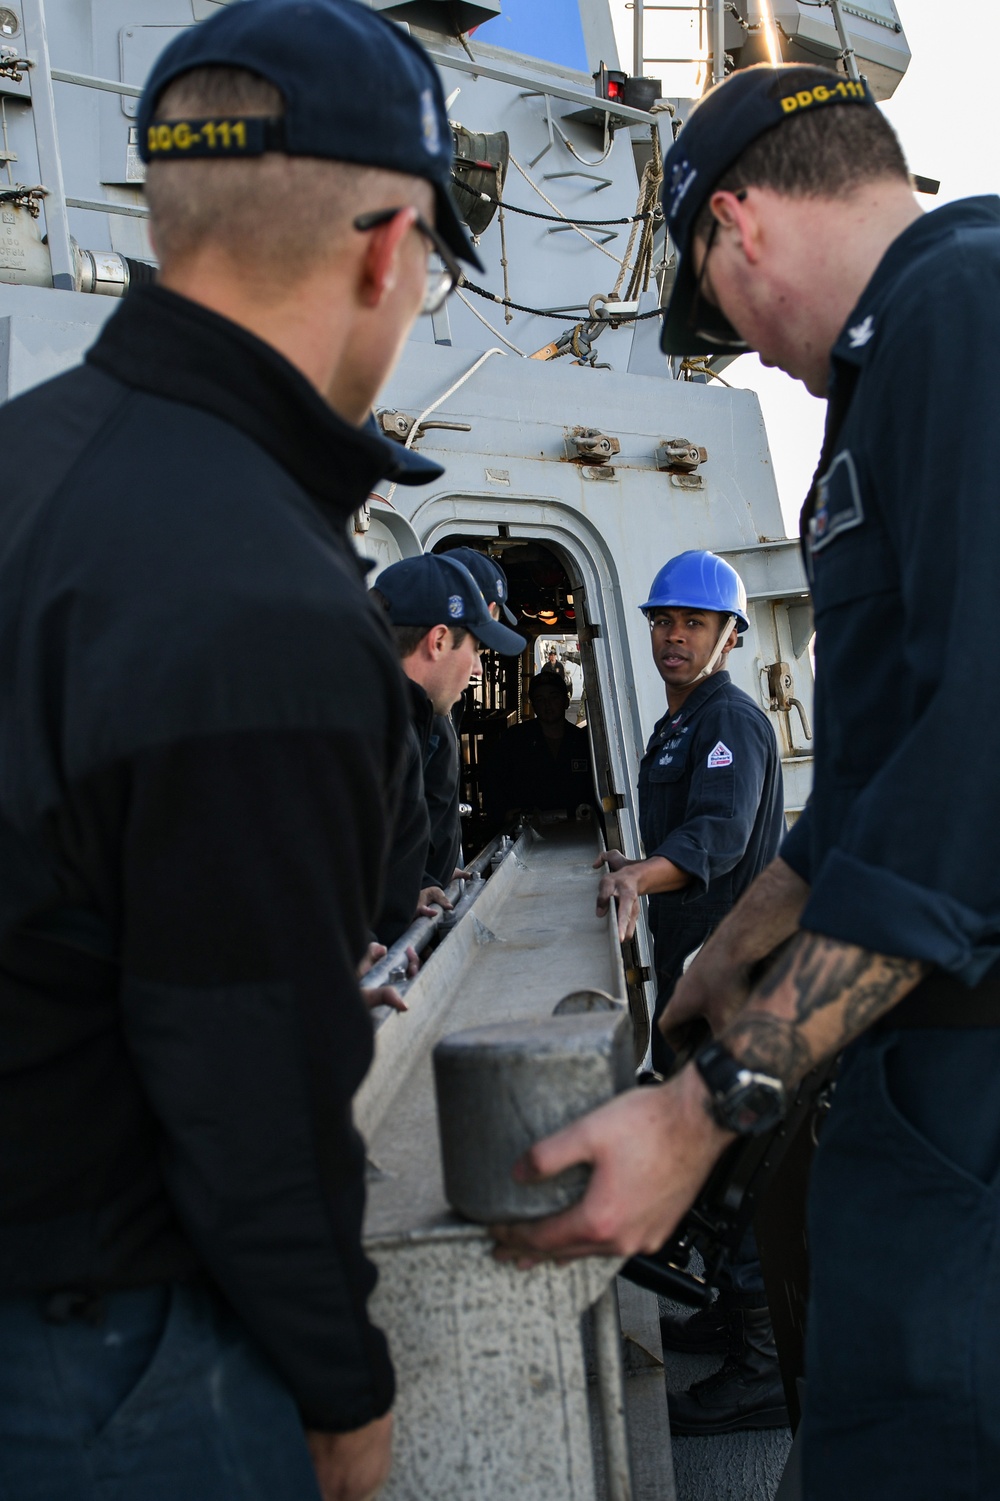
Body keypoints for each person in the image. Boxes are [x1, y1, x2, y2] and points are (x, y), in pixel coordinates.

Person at [494, 60, 1000, 1499]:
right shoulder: (897, 362)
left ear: (738, 225)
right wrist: (742, 932)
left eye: (713, 319)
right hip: (928, 1068)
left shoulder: (968, 307)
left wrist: (710, 1102)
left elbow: (977, 779)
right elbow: (883, 767)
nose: (746, 358)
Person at [0, 2, 484, 1498]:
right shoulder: (267, 596)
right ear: (387, 250)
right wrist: (342, 1389)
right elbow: (247, 1077)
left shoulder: (28, 465)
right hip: (115, 1357)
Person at [594, 550, 784, 1434]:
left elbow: (717, 832)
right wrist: (631, 867)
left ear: (729, 636)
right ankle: (727, 1312)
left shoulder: (730, 722)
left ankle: (762, 1369)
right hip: (690, 971)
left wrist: (644, 875)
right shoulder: (677, 724)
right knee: (710, 1162)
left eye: (693, 623)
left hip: (732, 978)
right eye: (663, 621)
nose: (673, 636)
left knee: (740, 1164)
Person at [372, 554, 525, 919]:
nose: (477, 668)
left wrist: (419, 880)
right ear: (439, 641)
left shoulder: (400, 718)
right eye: (473, 648)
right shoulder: (374, 730)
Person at [482, 671, 597, 826]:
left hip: (580, 828)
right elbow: (493, 784)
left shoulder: (584, 742)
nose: (547, 704)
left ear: (566, 701)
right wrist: (503, 815)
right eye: (540, 699)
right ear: (533, 705)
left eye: (553, 697)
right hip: (529, 831)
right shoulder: (514, 741)